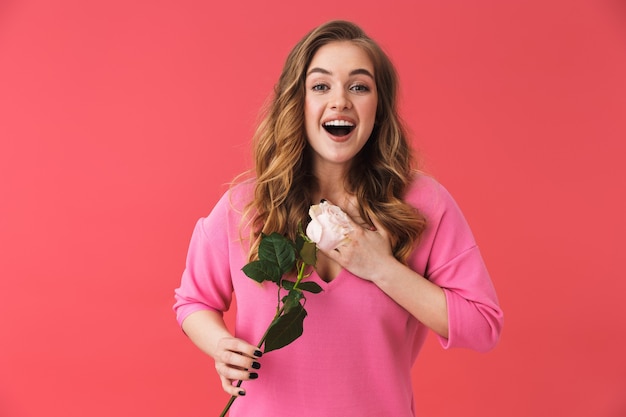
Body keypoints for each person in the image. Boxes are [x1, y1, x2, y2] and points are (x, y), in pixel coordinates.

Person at [173, 20, 503, 417]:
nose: (340, 101)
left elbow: (482, 326)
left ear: (378, 106)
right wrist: (219, 345)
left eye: (359, 86)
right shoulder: (245, 206)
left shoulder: (422, 204)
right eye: (321, 86)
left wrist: (383, 269)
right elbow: (192, 301)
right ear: (297, 101)